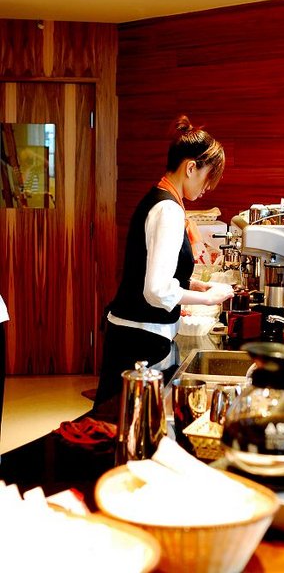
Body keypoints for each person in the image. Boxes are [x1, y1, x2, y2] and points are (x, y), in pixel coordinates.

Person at [94, 115, 234, 418]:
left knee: (119, 422)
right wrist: (209, 298)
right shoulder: (168, 209)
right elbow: (156, 290)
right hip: (139, 340)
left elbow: (150, 270)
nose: (208, 188)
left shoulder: (160, 199)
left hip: (132, 334)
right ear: (191, 168)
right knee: (122, 424)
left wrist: (194, 285)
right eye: (208, 177)